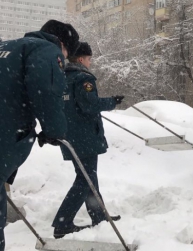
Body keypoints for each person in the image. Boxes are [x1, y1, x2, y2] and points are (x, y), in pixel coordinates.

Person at [0, 19, 79, 251]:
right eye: (67, 55)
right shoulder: (46, 50)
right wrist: (54, 131)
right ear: (63, 45)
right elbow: (46, 91)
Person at [51, 42, 125, 239]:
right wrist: (112, 102)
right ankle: (63, 222)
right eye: (90, 59)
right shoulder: (84, 78)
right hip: (85, 137)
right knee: (85, 179)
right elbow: (88, 105)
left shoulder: (62, 77)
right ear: (82, 59)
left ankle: (99, 215)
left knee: (88, 176)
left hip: (70, 136)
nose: (91, 63)